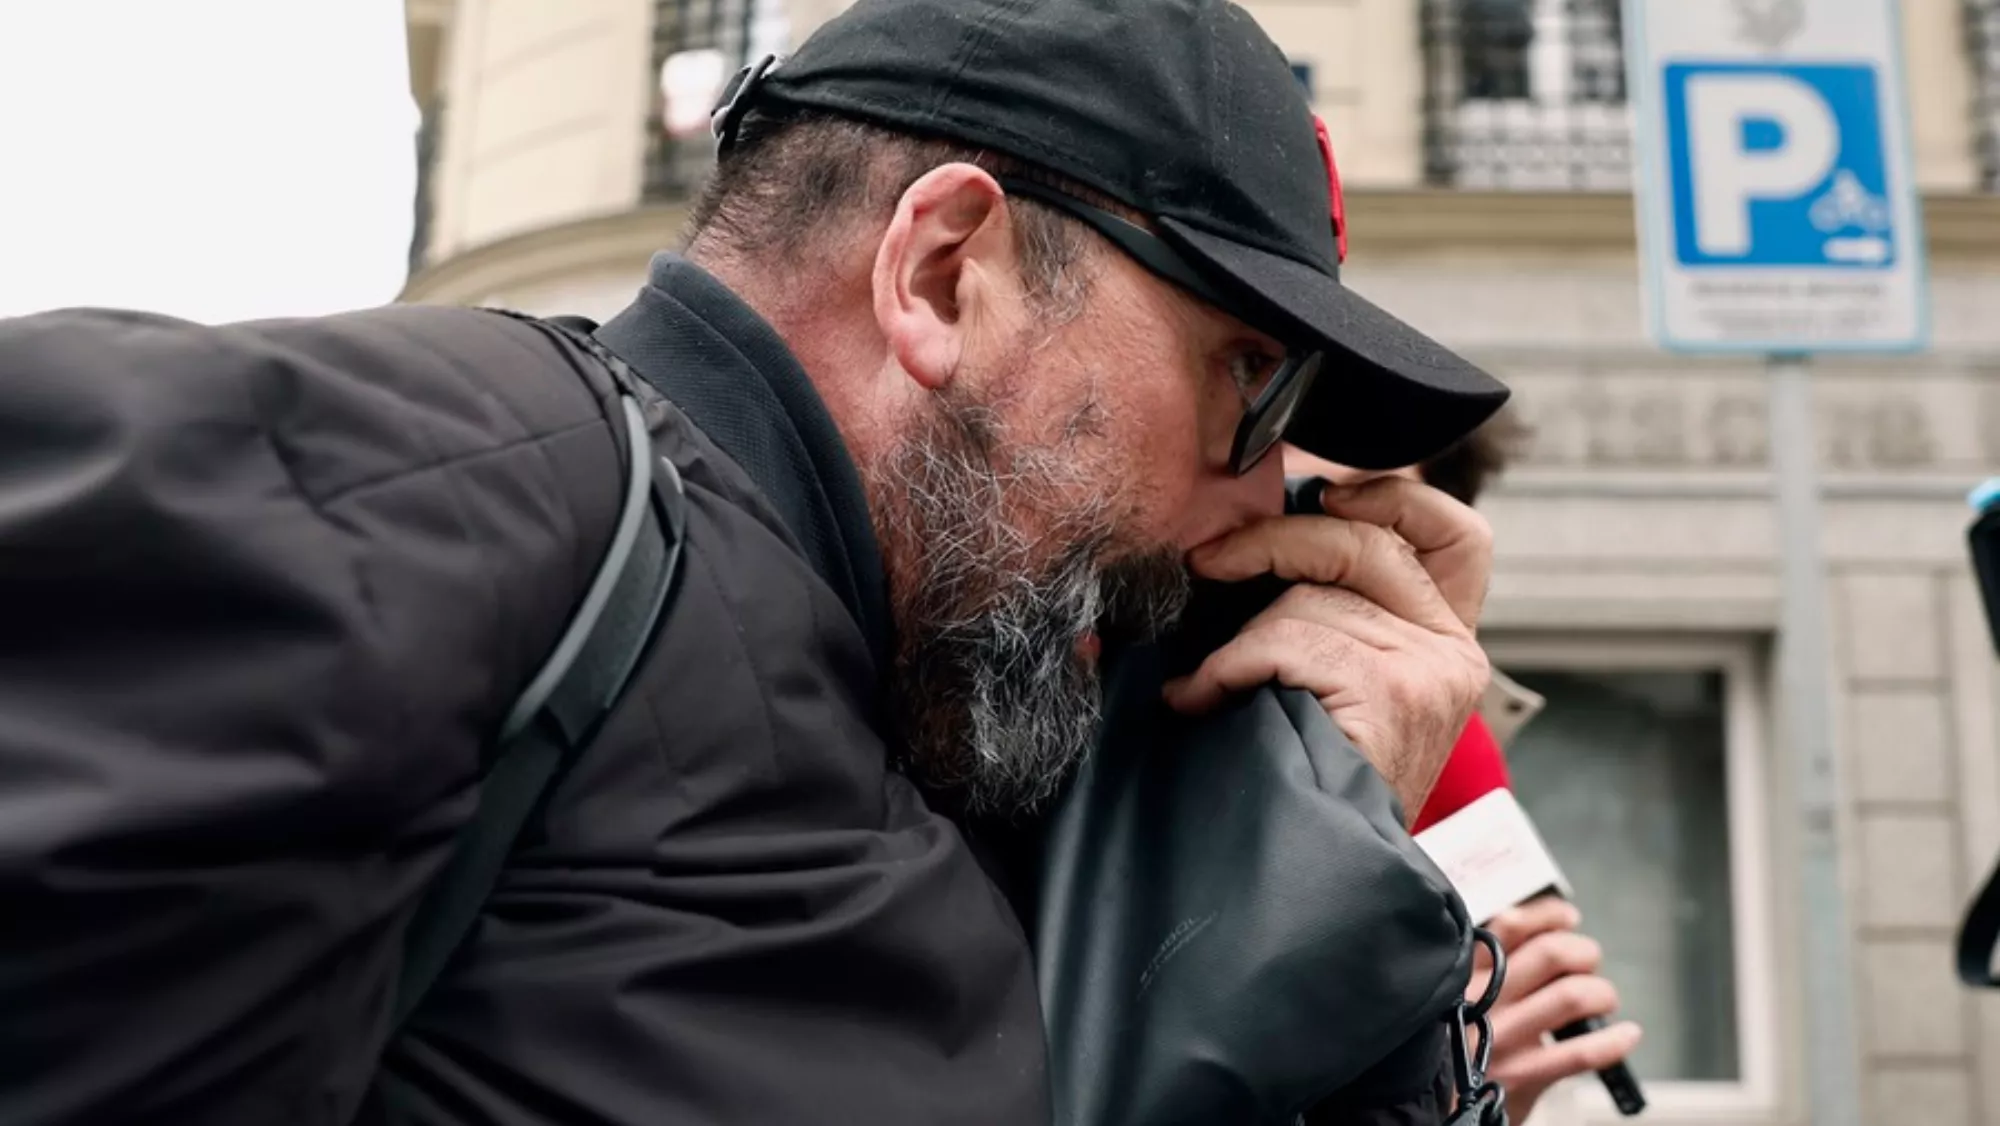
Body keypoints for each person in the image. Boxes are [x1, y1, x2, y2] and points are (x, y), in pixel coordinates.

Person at [0, 0, 1510, 1122]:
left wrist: (1286, 865)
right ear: (942, 275)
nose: (1264, 489)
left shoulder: (965, 743)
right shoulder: (422, 488)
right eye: (1249, 376)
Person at [1286, 411, 1643, 1123]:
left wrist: (1470, 1100)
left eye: (1357, 528)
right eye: (1290, 507)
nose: (1305, 560)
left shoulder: (1457, 751)